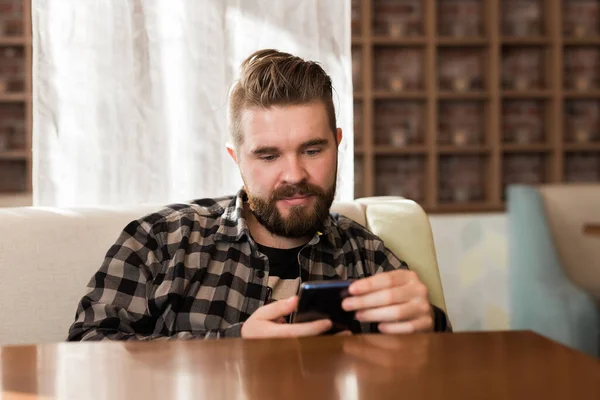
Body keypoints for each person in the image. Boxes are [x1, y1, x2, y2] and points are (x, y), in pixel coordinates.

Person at [67, 49, 450, 341]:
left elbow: (440, 377)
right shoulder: (160, 242)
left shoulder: (368, 257)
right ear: (237, 159)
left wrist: (431, 325)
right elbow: (85, 353)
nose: (294, 175)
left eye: (313, 150)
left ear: (337, 144)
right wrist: (234, 346)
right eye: (268, 156)